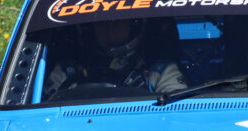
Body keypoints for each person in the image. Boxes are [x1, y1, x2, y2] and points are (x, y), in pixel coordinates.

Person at [43, 18, 188, 99]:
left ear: (133, 26)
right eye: (101, 23)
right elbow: (44, 108)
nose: (109, 31)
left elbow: (178, 110)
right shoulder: (67, 69)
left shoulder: (160, 70)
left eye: (117, 23)